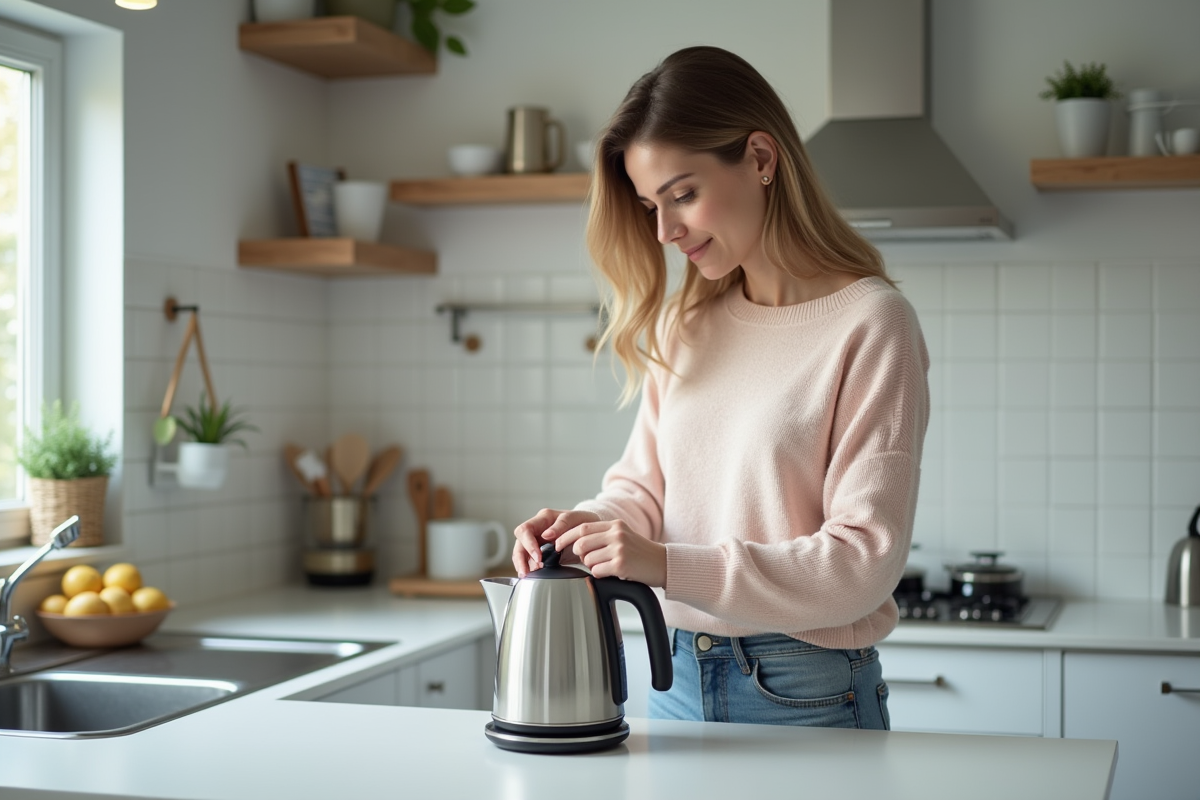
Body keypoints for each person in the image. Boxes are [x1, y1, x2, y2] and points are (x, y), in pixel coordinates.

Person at [512, 45, 930, 731]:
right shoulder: (687, 324)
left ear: (761, 158)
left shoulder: (871, 323)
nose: (664, 231)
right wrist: (581, 527)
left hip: (805, 691)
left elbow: (862, 563)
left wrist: (666, 566)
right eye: (650, 205)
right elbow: (643, 492)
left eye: (682, 194)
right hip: (674, 676)